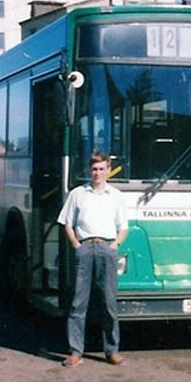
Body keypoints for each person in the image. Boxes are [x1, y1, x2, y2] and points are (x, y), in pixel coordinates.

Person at [56, 150, 128, 367]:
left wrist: (114, 244)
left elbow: (123, 227)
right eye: (94, 169)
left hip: (107, 249)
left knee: (108, 303)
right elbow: (67, 223)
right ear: (90, 170)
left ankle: (111, 351)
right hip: (85, 248)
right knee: (78, 303)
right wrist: (77, 246)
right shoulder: (77, 194)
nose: (97, 173)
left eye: (101, 169)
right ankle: (76, 352)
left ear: (108, 170)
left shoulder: (115, 195)